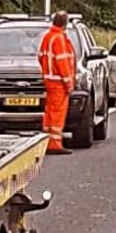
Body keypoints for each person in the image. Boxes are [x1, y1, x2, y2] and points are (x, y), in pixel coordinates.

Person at [38, 10, 76, 155]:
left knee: (49, 112)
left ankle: (47, 140)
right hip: (59, 82)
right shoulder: (59, 39)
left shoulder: (48, 37)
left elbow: (41, 57)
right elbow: (63, 63)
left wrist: (47, 73)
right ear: (65, 24)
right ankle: (54, 143)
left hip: (49, 80)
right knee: (57, 113)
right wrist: (69, 83)